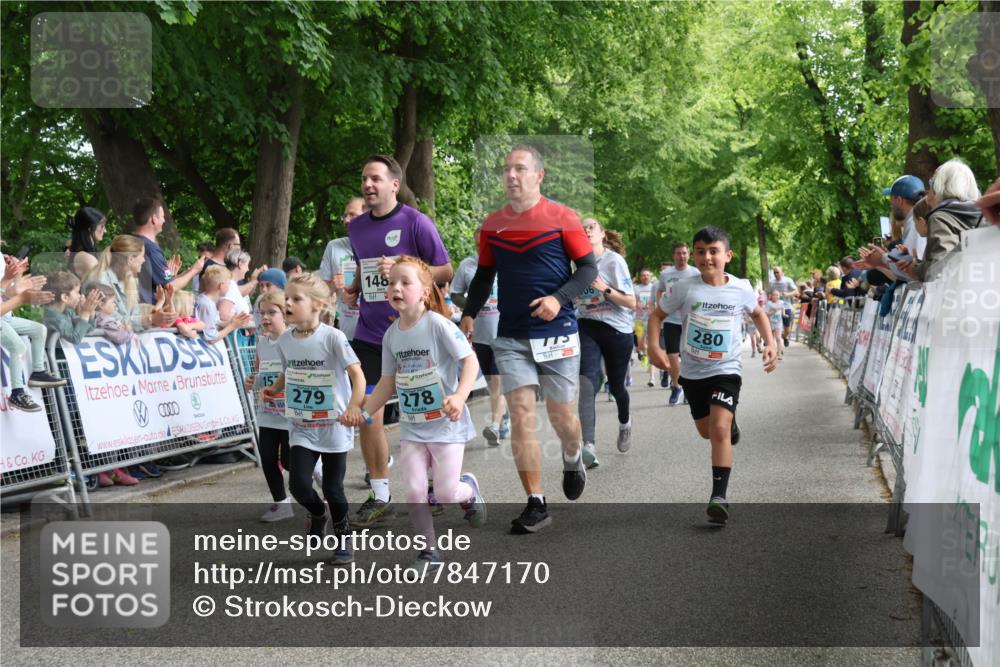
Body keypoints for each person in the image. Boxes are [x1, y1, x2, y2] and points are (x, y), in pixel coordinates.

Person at [460, 145, 597, 534]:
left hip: (557, 332)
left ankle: (573, 456)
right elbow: (484, 274)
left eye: (520, 169)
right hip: (512, 334)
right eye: (506, 170)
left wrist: (558, 298)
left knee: (561, 417)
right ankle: (536, 501)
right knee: (520, 414)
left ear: (539, 175)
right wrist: (470, 312)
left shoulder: (562, 217)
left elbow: (587, 269)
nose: (511, 176)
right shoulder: (493, 224)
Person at [343, 257, 485, 568]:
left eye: (405, 282)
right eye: (391, 283)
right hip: (413, 427)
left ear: (423, 292)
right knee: (415, 490)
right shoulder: (391, 334)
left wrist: (460, 397)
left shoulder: (437, 325)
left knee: (446, 492)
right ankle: (429, 551)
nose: (396, 287)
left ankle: (469, 491)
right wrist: (362, 412)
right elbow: (387, 383)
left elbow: (470, 362)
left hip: (446, 424)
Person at [342, 155, 452, 528]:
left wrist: (407, 267)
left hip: (416, 334)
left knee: (425, 413)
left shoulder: (415, 222)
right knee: (366, 411)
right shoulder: (356, 228)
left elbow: (445, 270)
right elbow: (363, 263)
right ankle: (381, 493)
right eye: (363, 179)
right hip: (372, 334)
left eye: (375, 178)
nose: (368, 185)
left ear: (393, 183)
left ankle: (437, 486)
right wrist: (356, 287)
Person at [647, 226, 778, 525]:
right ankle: (728, 425)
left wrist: (770, 344)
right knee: (707, 431)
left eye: (713, 251)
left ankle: (719, 497)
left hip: (726, 369)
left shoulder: (741, 287)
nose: (707, 257)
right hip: (692, 373)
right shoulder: (684, 287)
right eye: (701, 252)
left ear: (727, 255)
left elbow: (758, 314)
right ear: (694, 255)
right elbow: (656, 316)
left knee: (718, 429)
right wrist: (654, 346)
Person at [260, 274, 366, 565]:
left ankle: (344, 539)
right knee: (298, 486)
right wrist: (275, 389)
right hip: (302, 426)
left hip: (334, 425)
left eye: (296, 299)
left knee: (333, 487)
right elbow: (289, 371)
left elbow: (357, 375)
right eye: (287, 299)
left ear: (318, 305)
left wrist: (355, 406)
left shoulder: (332, 337)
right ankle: (319, 514)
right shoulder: (284, 340)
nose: (288, 304)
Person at [575, 218, 636, 468]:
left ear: (602, 234)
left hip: (616, 328)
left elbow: (632, 302)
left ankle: (625, 422)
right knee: (587, 382)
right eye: (582, 228)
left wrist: (604, 289)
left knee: (616, 387)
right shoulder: (575, 263)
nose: (586, 230)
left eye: (591, 227)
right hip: (587, 324)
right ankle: (588, 445)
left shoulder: (614, 261)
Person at [451, 225, 508, 446]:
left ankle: (494, 423)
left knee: (496, 380)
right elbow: (455, 294)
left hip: (504, 330)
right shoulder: (467, 265)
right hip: (480, 332)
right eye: (478, 243)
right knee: (492, 378)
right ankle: (504, 416)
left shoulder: (505, 262)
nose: (482, 247)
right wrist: (471, 308)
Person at [244, 290, 294, 523]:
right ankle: (281, 503)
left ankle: (318, 478)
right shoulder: (262, 343)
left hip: (290, 414)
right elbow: (257, 372)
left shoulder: (293, 340)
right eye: (262, 312)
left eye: (271, 312)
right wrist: (251, 381)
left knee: (291, 462)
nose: (265, 317)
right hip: (268, 414)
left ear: (285, 314)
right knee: (267, 458)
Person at [1, 258, 63, 413]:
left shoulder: (2, 255)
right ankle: (17, 393)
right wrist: (20, 296)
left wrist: (16, 276)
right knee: (18, 346)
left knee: (39, 329)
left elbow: (7, 293)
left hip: (5, 315)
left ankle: (38, 372)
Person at [131, 197, 203, 304]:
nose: (164, 220)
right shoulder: (150, 249)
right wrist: (194, 271)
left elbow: (167, 281)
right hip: (148, 312)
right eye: (162, 217)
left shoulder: (129, 241)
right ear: (154, 219)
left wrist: (186, 271)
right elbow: (170, 286)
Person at [655, 242, 701, 404]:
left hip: (691, 320)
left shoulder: (695, 272)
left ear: (689, 255)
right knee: (673, 357)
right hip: (671, 321)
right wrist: (662, 305)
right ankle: (676, 387)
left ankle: (688, 388)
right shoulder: (666, 274)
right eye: (678, 253)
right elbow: (660, 290)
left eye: (684, 253)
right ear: (673, 255)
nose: (681, 256)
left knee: (689, 358)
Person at [318, 197, 365, 341]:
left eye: (352, 215)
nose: (346, 220)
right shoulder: (334, 246)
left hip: (375, 333)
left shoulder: (381, 245)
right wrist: (333, 285)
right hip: (344, 333)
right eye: (345, 215)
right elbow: (319, 291)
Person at [195, 265, 252, 344]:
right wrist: (232, 326)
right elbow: (211, 338)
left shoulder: (206, 301)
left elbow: (214, 324)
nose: (230, 286)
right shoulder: (207, 304)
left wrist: (232, 321)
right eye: (228, 283)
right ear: (221, 286)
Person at [42, 271, 100, 344]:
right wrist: (85, 314)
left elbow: (87, 330)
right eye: (77, 292)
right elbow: (75, 338)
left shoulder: (67, 312)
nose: (80, 296)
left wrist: (90, 313)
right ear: (65, 297)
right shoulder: (53, 319)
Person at [882, 174, 927, 260]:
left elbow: (910, 270)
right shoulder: (920, 218)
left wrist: (882, 258)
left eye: (891, 199)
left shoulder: (914, 223)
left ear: (899, 200)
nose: (891, 204)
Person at [67, 206, 107, 279]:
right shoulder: (88, 259)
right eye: (102, 226)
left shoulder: (75, 251)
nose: (105, 231)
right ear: (90, 228)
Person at [632, 269, 656, 386]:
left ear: (650, 276)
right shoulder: (636, 289)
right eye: (643, 275)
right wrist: (637, 304)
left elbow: (659, 301)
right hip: (639, 321)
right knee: (640, 344)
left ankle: (651, 374)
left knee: (649, 345)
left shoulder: (654, 287)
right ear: (640, 277)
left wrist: (653, 306)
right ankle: (643, 353)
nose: (645, 277)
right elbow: (632, 302)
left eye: (647, 275)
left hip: (651, 320)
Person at [768, 265, 797, 347]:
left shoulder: (788, 280)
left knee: (787, 329)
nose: (775, 274)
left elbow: (796, 291)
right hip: (775, 308)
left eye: (777, 272)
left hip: (786, 306)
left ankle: (785, 336)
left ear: (782, 272)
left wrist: (788, 294)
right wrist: (770, 297)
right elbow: (769, 293)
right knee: (772, 326)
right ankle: (769, 340)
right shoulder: (771, 282)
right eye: (774, 272)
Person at [764, 290, 785, 360]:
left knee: (778, 338)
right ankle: (773, 352)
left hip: (778, 322)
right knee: (771, 339)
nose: (776, 296)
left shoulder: (781, 302)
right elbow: (766, 314)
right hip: (770, 323)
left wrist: (784, 314)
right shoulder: (769, 304)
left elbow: (783, 309)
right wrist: (774, 311)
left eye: (777, 295)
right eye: (774, 295)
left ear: (779, 296)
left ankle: (779, 354)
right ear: (771, 296)